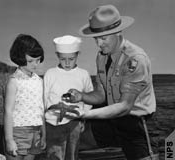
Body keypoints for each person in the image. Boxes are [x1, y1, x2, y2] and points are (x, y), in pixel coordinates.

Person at [67, 5, 159, 160]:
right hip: (111, 119)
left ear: (118, 33)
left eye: (103, 38)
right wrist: (81, 96)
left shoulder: (135, 59)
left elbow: (124, 106)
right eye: (96, 38)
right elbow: (101, 95)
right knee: (73, 142)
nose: (99, 44)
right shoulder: (102, 57)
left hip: (137, 123)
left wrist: (85, 114)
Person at [44, 35, 93, 160]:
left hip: (75, 122)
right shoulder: (50, 73)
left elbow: (89, 97)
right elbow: (43, 98)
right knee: (53, 155)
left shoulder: (83, 74)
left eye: (71, 59)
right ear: (57, 56)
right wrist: (42, 121)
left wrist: (83, 118)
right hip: (52, 122)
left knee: (72, 155)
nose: (67, 63)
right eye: (63, 59)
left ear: (77, 55)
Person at [4, 34, 46, 160]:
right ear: (20, 58)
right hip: (18, 132)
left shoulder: (39, 80)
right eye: (31, 61)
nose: (35, 64)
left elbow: (41, 109)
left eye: (38, 60)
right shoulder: (14, 81)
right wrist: (9, 139)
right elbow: (8, 112)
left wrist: (44, 134)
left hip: (36, 131)